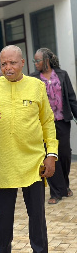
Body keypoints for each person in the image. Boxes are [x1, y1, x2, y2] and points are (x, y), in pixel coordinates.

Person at [0, 45, 58, 252]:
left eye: (12, 62)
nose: (8, 67)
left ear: (23, 63)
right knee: (4, 218)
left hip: (33, 163)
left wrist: (51, 154)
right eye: (4, 63)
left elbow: (48, 121)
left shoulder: (36, 86)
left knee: (37, 216)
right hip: (3, 163)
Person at [30, 48, 77, 204]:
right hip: (43, 124)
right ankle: (55, 192)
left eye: (38, 60)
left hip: (62, 121)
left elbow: (71, 97)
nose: (35, 63)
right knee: (49, 156)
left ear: (47, 61)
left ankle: (64, 186)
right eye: (34, 61)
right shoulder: (33, 78)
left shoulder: (62, 74)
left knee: (64, 154)